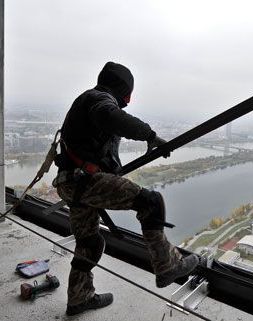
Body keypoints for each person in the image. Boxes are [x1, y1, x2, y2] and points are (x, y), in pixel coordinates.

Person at [53, 61, 199, 316]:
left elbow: (94, 147)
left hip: (72, 183)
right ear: (125, 91)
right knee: (151, 202)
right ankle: (167, 265)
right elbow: (110, 116)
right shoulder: (99, 100)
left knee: (90, 243)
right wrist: (150, 136)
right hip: (84, 182)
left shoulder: (86, 101)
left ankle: (79, 298)